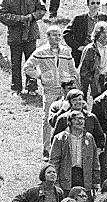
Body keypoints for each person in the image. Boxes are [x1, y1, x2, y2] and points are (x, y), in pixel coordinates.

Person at [24, 27, 79, 158]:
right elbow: (27, 67)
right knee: (48, 119)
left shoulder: (66, 51)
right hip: (50, 90)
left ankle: (66, 147)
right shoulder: (41, 52)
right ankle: (47, 149)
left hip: (65, 90)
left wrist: (73, 83)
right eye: (54, 35)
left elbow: (72, 70)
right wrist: (41, 76)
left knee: (67, 117)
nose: (57, 38)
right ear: (48, 36)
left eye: (59, 35)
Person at [0, 0, 44, 96]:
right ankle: (16, 88)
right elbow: (1, 15)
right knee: (15, 63)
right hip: (15, 35)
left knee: (31, 62)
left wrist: (32, 16)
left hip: (30, 34)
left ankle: (32, 87)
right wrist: (19, 19)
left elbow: (42, 9)